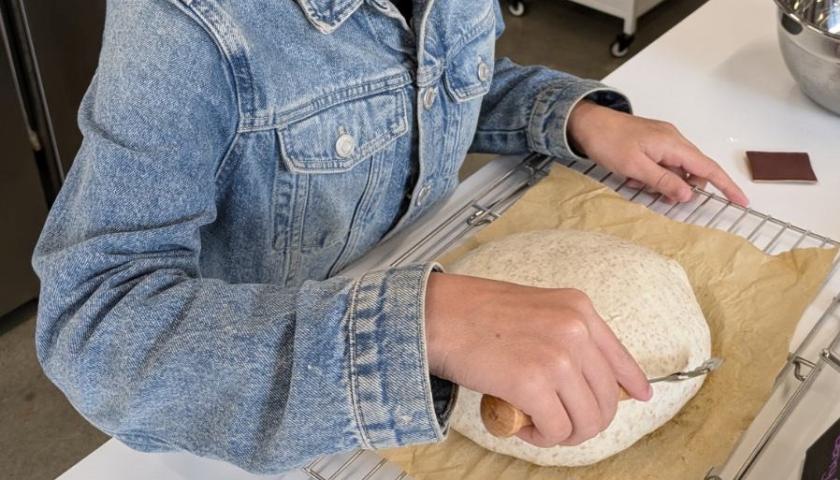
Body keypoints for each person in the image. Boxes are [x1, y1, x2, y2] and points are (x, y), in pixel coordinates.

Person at [32, 0, 748, 474]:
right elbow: (94, 323)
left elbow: (437, 88)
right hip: (234, 413)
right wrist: (420, 325)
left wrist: (574, 116)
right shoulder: (183, 22)